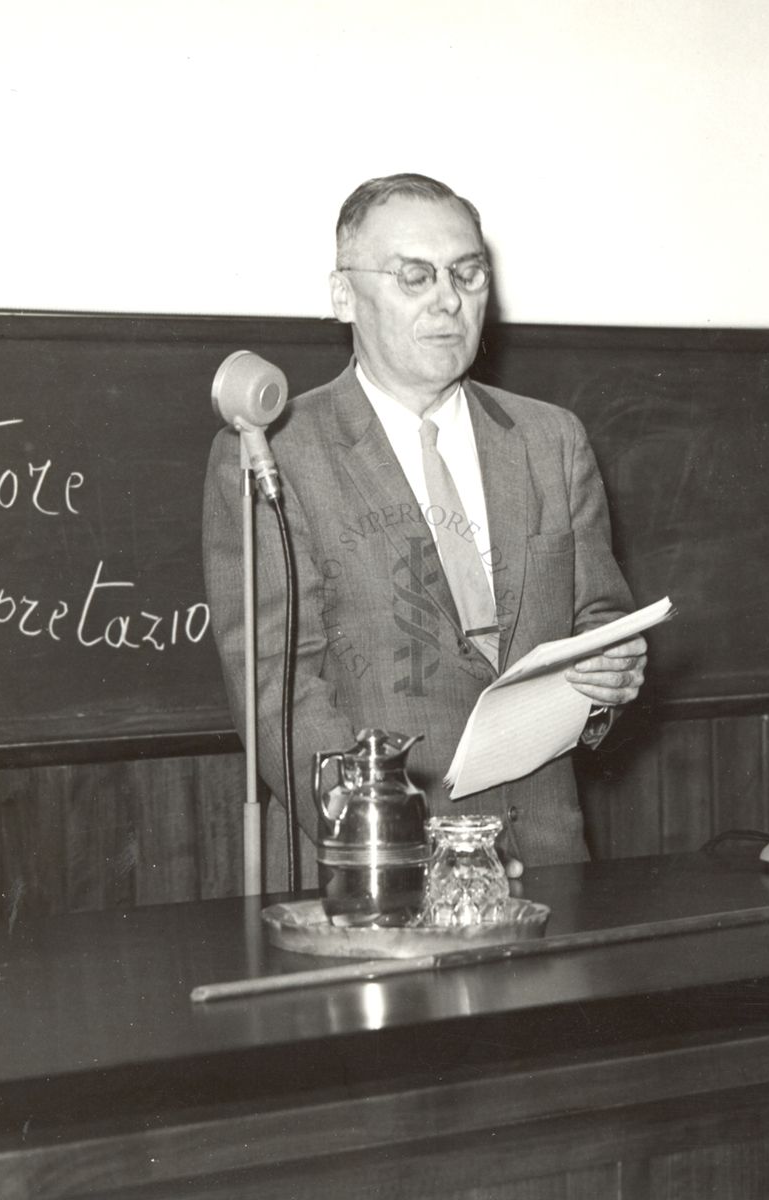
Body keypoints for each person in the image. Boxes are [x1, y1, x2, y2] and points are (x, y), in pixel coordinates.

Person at [203, 173, 646, 889]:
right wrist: (391, 837)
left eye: (468, 274)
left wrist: (610, 679)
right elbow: (277, 691)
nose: (448, 299)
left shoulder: (550, 439)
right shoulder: (275, 452)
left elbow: (599, 616)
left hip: (550, 858)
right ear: (343, 295)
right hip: (376, 869)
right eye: (415, 276)